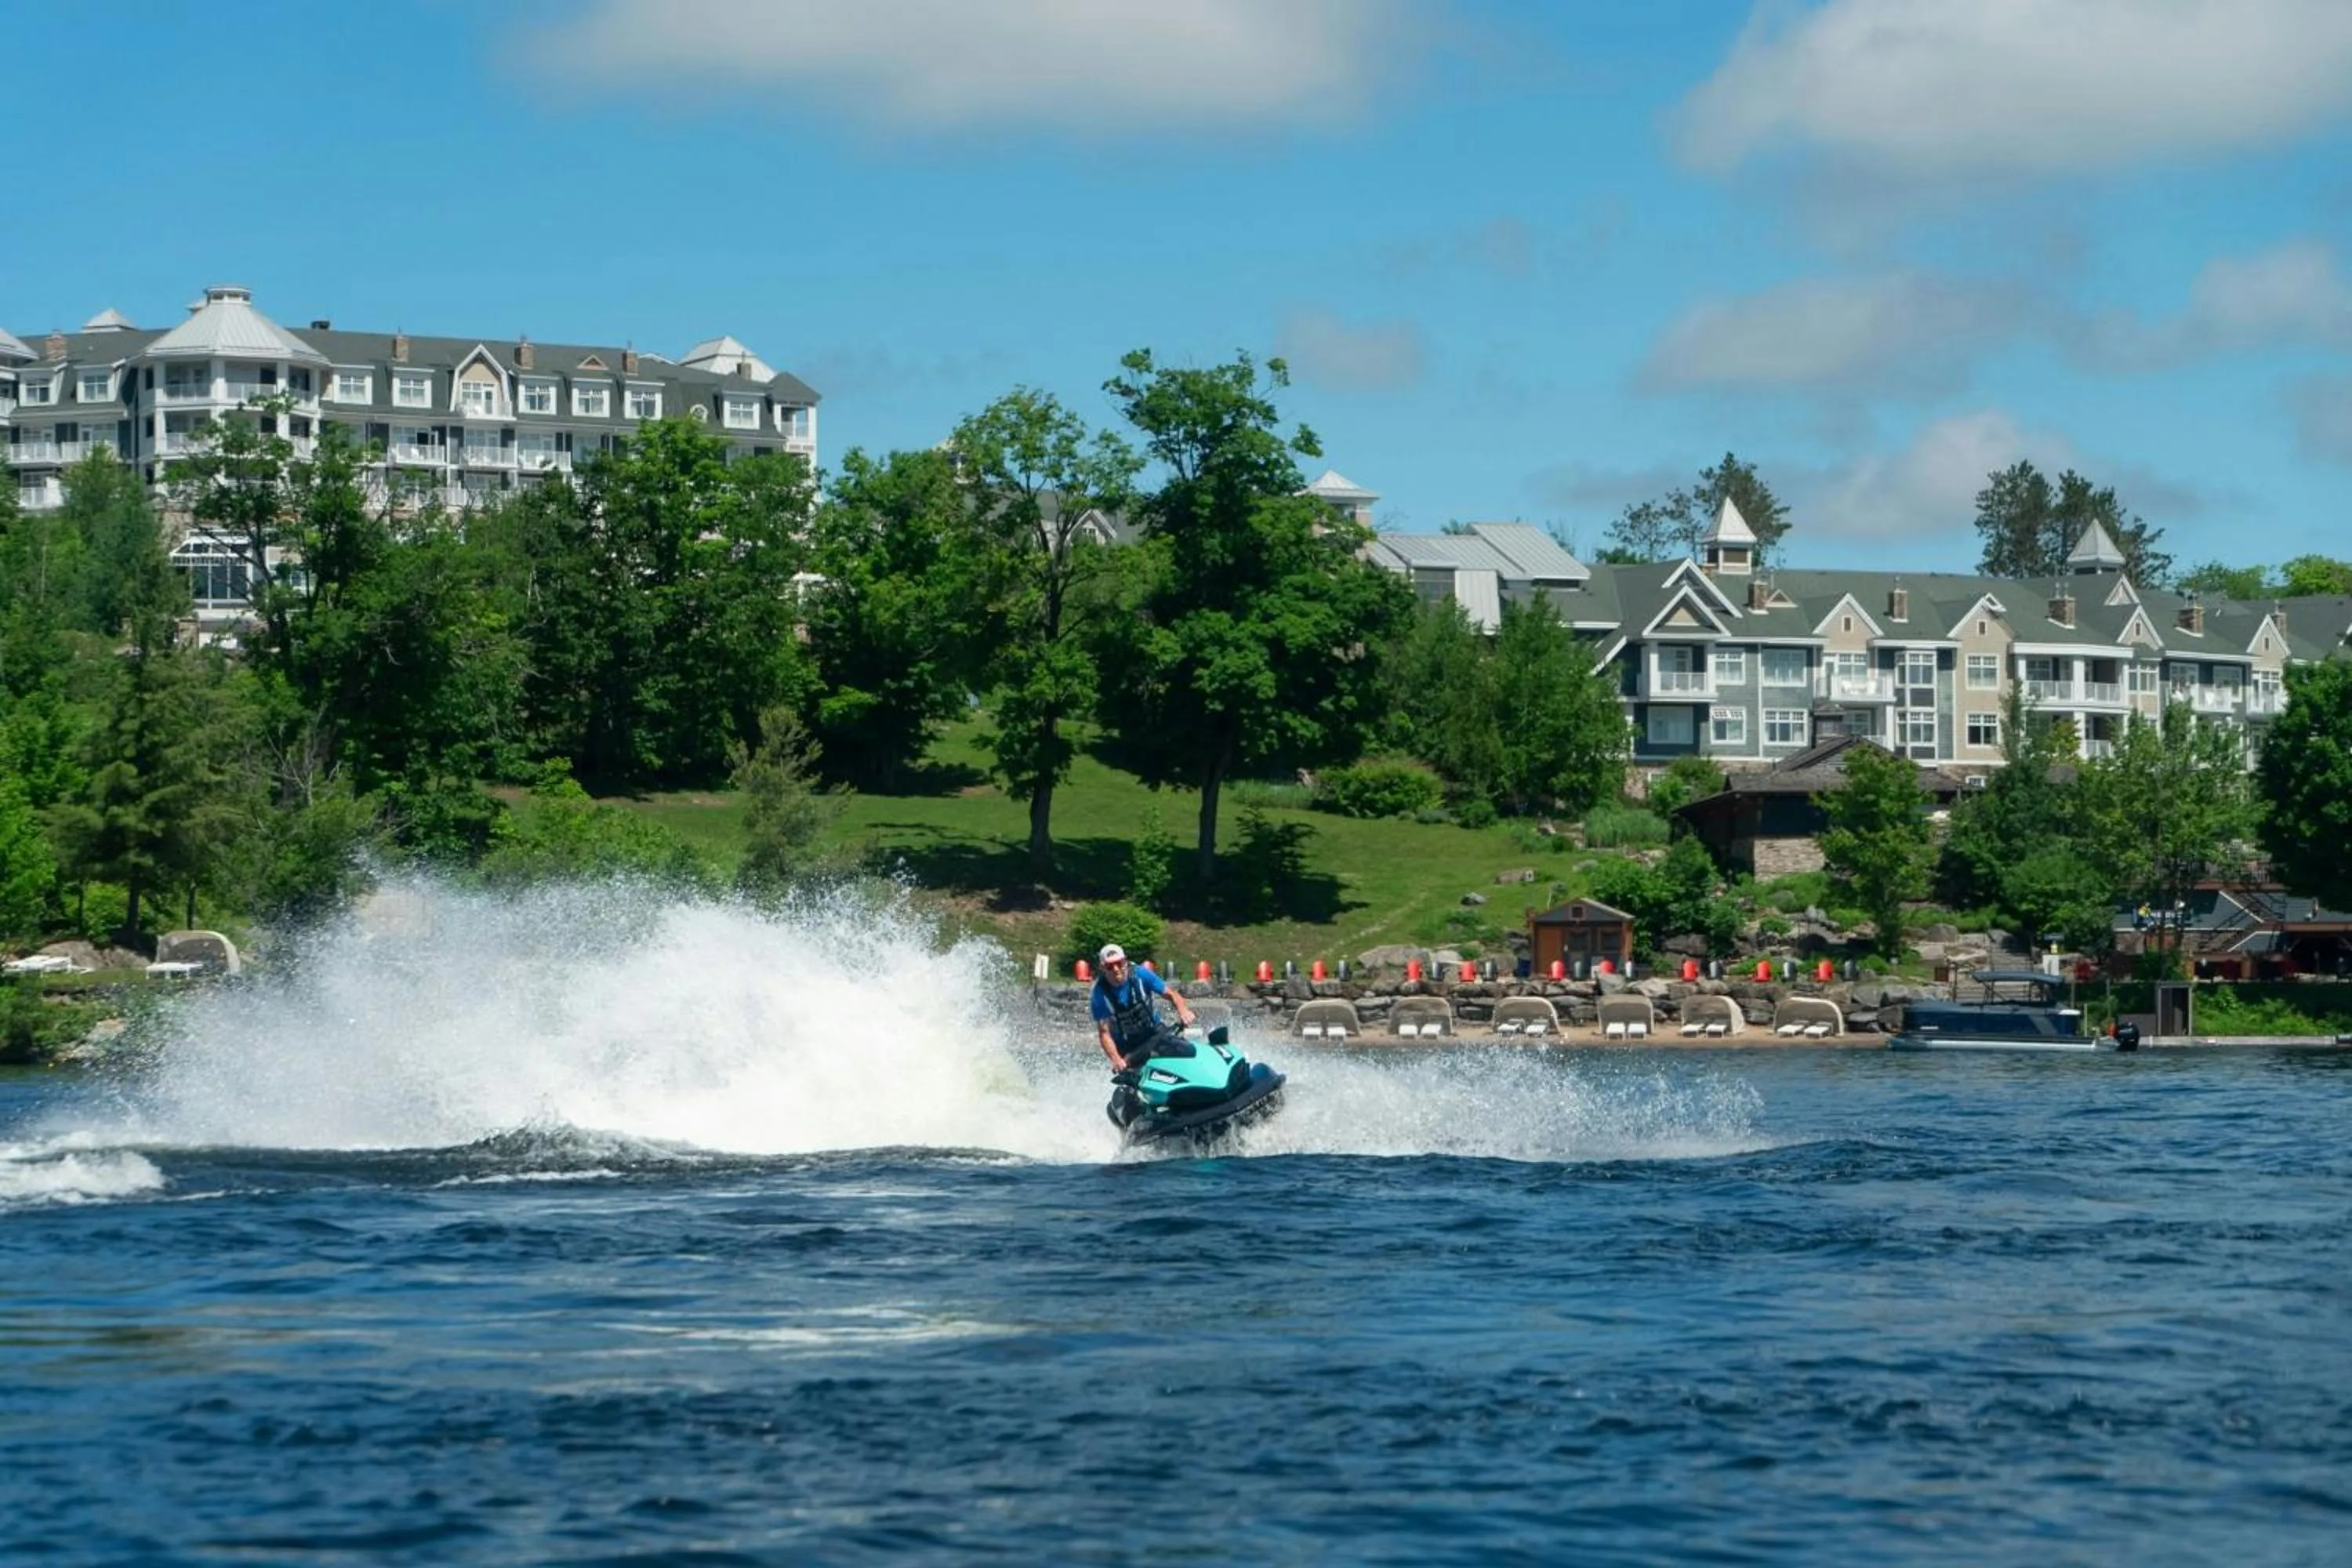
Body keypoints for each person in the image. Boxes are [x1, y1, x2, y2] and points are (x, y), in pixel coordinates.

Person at [1091, 944, 1196, 1127]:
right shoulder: (1099, 995)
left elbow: (1171, 994)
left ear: (1125, 962)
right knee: (1133, 1091)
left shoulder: (1141, 974)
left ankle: (1197, 1097)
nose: (1116, 969)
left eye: (1119, 963)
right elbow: (1104, 1033)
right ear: (1102, 968)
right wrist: (1116, 1059)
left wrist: (1183, 1010)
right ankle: (1144, 1124)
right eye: (1110, 966)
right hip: (1130, 1052)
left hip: (1157, 1035)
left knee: (1183, 1054)